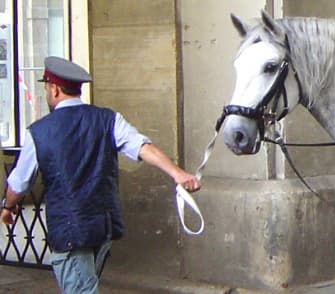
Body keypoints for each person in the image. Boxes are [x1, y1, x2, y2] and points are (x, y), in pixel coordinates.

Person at [0, 56, 201, 293]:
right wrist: (177, 173)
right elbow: (143, 147)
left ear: (54, 89)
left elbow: (19, 182)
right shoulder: (108, 119)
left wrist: (8, 206)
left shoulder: (39, 132)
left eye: (45, 88)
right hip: (102, 226)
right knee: (87, 285)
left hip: (70, 231)